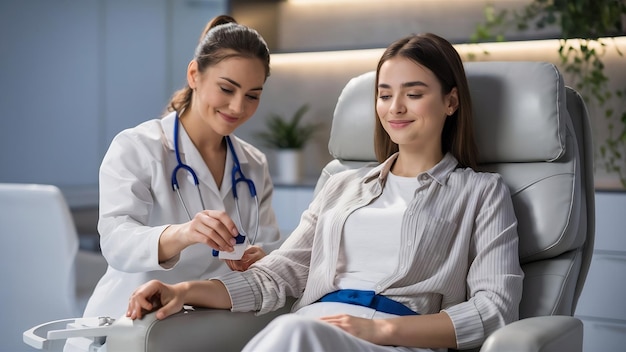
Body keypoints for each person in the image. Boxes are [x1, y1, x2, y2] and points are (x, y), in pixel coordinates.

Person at [126, 32, 524, 352]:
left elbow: (495, 309)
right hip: (312, 329)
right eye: (385, 95)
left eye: (414, 94)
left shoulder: (480, 193)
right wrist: (182, 290)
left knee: (291, 335)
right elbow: (277, 275)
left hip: (393, 340)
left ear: (450, 101)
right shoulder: (343, 185)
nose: (395, 108)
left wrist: (381, 331)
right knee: (293, 332)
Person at [83, 15, 282, 320]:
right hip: (130, 321)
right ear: (194, 75)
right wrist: (184, 234)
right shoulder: (138, 147)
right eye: (227, 89)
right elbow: (116, 242)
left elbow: (266, 246)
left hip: (206, 324)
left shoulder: (253, 164)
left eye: (252, 96)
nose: (238, 107)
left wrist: (261, 257)